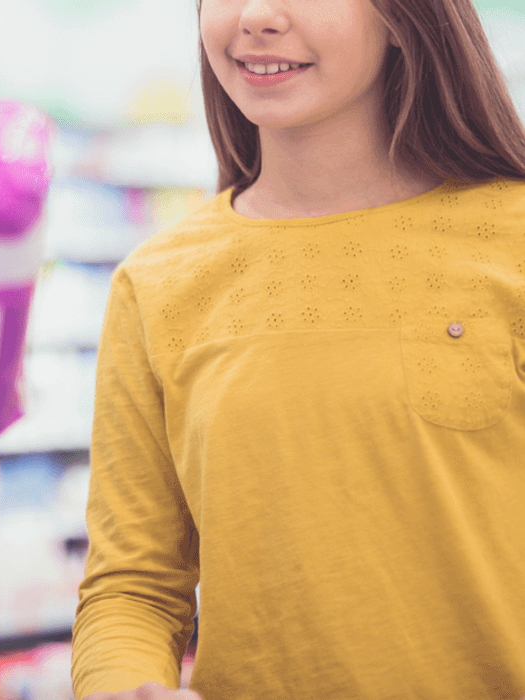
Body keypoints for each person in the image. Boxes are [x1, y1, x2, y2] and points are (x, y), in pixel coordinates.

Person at [71, 0, 525, 698]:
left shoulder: (510, 238)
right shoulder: (156, 282)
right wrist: (120, 685)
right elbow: (131, 586)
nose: (254, 15)